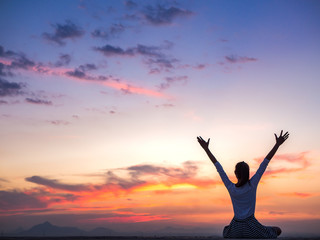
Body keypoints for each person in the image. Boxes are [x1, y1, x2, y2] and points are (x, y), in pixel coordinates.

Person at [197, 130, 289, 238]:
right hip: (251, 226)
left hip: (236, 227)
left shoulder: (231, 187)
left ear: (235, 173)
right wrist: (277, 144)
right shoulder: (252, 185)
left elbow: (218, 166)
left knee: (226, 231)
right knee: (277, 230)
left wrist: (206, 149)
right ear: (247, 173)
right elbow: (265, 162)